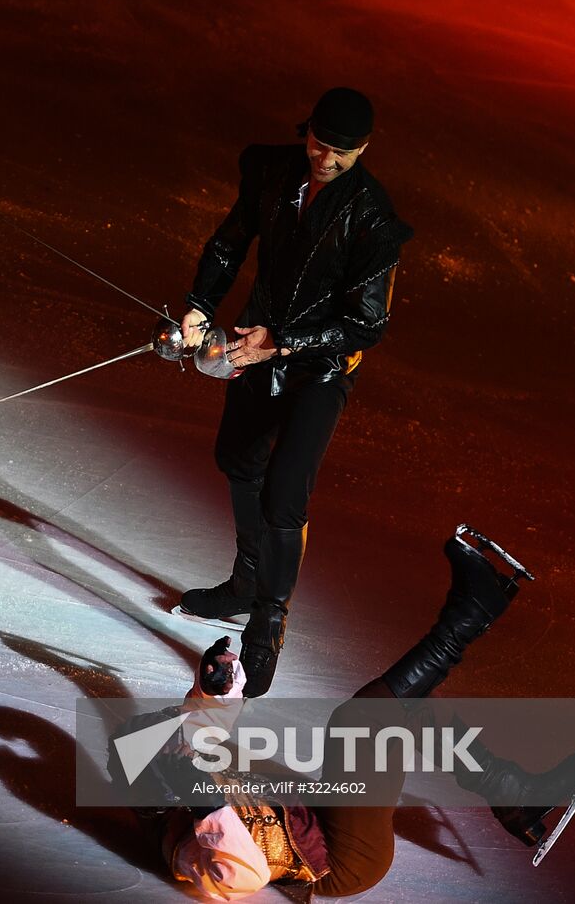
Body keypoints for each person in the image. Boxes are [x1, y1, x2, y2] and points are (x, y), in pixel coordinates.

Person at [140, 525, 575, 899]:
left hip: (317, 813)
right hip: (342, 859)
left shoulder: (177, 774)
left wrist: (213, 683)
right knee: (363, 721)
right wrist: (206, 804)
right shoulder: (180, 847)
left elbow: (201, 730)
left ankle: (514, 796)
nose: (182, 749)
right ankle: (469, 616)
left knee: (401, 711)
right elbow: (242, 876)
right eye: (172, 752)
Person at [175, 87, 414, 697]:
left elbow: (368, 323)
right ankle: (245, 580)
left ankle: (267, 620)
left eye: (342, 153)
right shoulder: (272, 171)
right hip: (264, 342)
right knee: (237, 458)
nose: (326, 160)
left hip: (323, 366)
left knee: (285, 494)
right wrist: (200, 306)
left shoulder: (373, 218)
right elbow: (231, 242)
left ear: (363, 149)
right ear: (305, 131)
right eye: (319, 145)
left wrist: (280, 341)